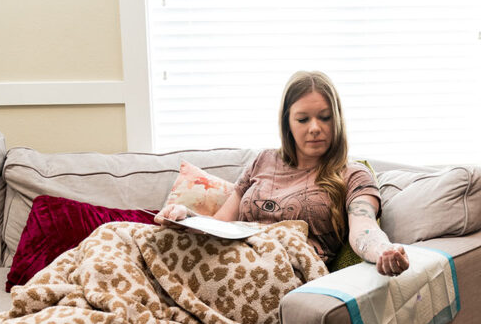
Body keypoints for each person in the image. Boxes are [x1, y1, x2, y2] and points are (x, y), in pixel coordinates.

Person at [155, 71, 410, 276]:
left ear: (338, 119)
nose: (314, 128)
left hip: (284, 272)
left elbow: (364, 228)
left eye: (325, 117)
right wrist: (185, 217)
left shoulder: (353, 174)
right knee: (124, 238)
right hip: (231, 258)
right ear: (287, 122)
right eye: (302, 119)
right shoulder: (262, 161)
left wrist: (383, 251)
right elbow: (221, 224)